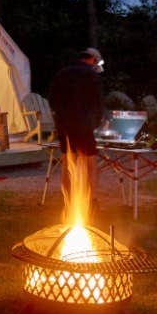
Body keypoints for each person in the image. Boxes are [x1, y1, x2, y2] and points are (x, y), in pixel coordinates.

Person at [48, 47, 105, 216]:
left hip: (65, 125)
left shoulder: (62, 73)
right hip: (84, 126)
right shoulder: (92, 75)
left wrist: (60, 119)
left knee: (67, 162)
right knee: (90, 163)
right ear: (93, 59)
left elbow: (52, 99)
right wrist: (95, 123)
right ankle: (91, 200)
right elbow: (98, 102)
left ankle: (68, 199)